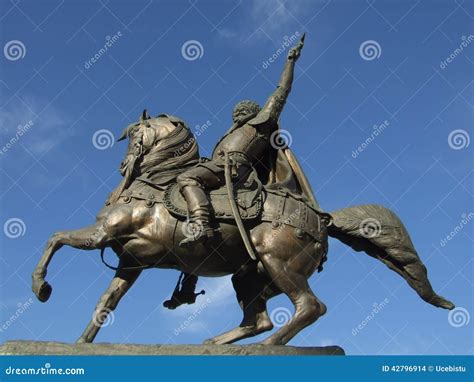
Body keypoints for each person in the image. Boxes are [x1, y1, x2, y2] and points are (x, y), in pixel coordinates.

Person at [176, 34, 306, 246]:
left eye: (243, 110)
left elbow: (282, 91)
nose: (238, 113)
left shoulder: (261, 124)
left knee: (187, 178)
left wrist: (290, 62)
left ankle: (201, 225)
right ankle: (191, 274)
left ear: (255, 112)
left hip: (236, 168)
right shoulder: (228, 134)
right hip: (220, 168)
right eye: (236, 111)